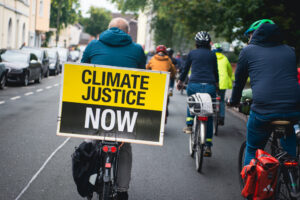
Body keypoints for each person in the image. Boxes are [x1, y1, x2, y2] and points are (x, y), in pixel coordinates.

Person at [81, 17, 146, 200]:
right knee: (125, 147)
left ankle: (88, 181)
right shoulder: (137, 49)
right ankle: (123, 190)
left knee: (91, 142)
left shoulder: (93, 45)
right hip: (125, 111)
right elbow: (143, 75)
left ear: (107, 29)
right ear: (127, 32)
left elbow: (81, 71)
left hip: (96, 109)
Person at [227, 19, 300, 165]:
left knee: (253, 148)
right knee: (289, 133)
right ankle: (292, 173)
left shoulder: (248, 51)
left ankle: (251, 183)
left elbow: (239, 82)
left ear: (256, 34)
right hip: (293, 108)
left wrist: (234, 101)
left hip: (264, 109)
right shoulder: (290, 51)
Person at [177, 31, 219, 157]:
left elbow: (185, 70)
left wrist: (180, 82)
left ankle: (189, 124)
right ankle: (208, 146)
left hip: (194, 85)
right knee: (209, 114)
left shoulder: (192, 53)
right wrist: (216, 85)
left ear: (196, 43)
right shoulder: (212, 55)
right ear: (208, 43)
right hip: (209, 86)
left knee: (192, 101)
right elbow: (215, 72)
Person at [146, 45, 176, 123]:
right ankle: (165, 115)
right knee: (165, 100)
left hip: (153, 83)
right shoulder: (168, 60)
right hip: (164, 84)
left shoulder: (152, 59)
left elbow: (147, 68)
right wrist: (172, 76)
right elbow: (173, 70)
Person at [212, 43, 234, 125]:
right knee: (221, 100)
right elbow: (230, 71)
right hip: (223, 82)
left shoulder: (211, 58)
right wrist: (229, 76)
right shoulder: (225, 58)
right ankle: (221, 117)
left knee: (211, 99)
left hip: (213, 82)